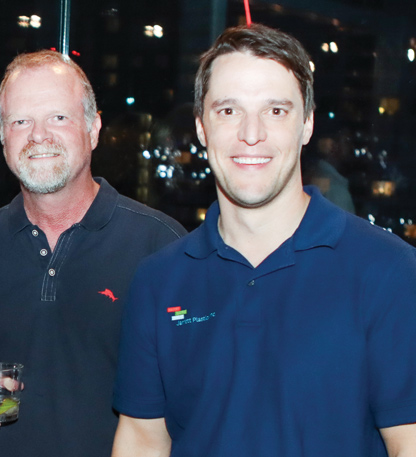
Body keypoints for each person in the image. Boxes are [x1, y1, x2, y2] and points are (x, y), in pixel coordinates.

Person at [112, 24, 416, 456]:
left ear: (306, 124)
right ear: (201, 127)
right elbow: (143, 440)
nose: (250, 133)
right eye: (228, 110)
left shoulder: (389, 271)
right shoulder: (158, 281)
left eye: (276, 111)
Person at [0, 50, 186, 456]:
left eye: (58, 117)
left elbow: (196, 391)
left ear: (93, 129)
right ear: (2, 135)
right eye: (21, 121)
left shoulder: (161, 246)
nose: (38, 135)